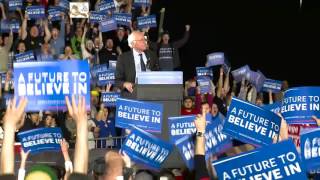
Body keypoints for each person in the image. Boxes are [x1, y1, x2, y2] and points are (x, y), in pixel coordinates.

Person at [115, 31, 159, 98]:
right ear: (133, 44)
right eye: (142, 40)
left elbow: (158, 72)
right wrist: (124, 84)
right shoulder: (123, 58)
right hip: (132, 96)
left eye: (145, 39)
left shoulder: (152, 55)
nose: (145, 42)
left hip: (151, 94)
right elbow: (117, 81)